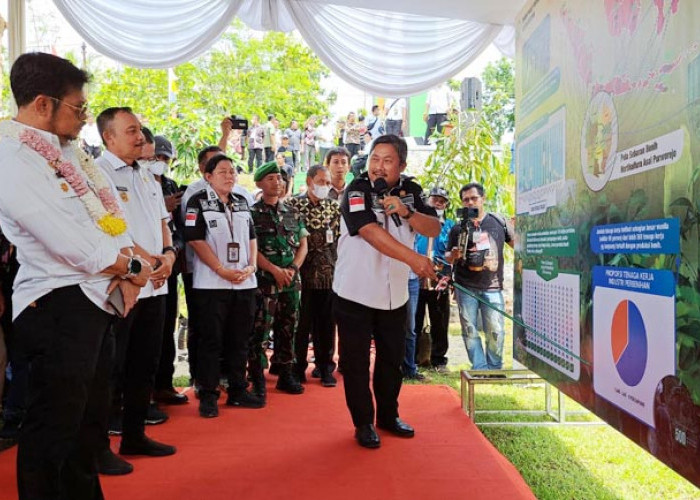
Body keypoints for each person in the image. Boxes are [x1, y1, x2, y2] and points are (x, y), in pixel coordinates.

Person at [0, 52, 150, 499]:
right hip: (55, 304)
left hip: (91, 301)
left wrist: (135, 258)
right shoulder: (13, 156)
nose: (84, 118)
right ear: (44, 104)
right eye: (79, 108)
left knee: (87, 421)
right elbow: (69, 242)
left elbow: (104, 222)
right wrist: (134, 267)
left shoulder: (67, 151)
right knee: (54, 427)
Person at [332, 134, 439, 449]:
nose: (378, 167)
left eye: (387, 160)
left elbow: (433, 227)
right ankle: (363, 422)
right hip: (356, 292)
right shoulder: (356, 190)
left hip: (395, 295)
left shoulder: (412, 191)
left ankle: (388, 416)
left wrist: (407, 213)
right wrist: (415, 260)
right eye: (374, 159)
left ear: (402, 165)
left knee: (392, 360)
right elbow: (369, 231)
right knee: (356, 363)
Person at [96, 107, 177, 472]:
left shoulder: (146, 174)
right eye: (130, 131)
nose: (140, 136)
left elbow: (162, 221)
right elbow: (113, 229)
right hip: (123, 283)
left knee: (145, 362)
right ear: (108, 137)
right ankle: (98, 448)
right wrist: (148, 260)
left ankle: (134, 434)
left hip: (156, 284)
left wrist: (169, 255)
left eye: (140, 130)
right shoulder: (97, 174)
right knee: (111, 366)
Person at [184, 154, 263, 417]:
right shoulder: (197, 202)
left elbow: (252, 237)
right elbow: (195, 240)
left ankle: (238, 390)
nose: (230, 176)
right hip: (212, 284)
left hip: (243, 282)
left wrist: (251, 265)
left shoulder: (241, 202)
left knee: (239, 339)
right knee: (211, 340)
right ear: (208, 176)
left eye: (233, 171)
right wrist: (220, 269)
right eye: (223, 171)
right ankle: (208, 393)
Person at [248, 162, 308, 399]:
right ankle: (256, 377)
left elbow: (303, 244)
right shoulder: (251, 214)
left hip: (291, 282)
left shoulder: (292, 212)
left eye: (280, 178)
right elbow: (252, 250)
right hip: (265, 281)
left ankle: (285, 373)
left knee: (288, 328)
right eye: (271, 178)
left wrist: (292, 268)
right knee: (260, 330)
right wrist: (274, 270)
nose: (278, 182)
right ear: (260, 184)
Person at [445, 182, 513, 371]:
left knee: (496, 330)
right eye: (465, 200)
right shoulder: (458, 228)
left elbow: (517, 244)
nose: (470, 203)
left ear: (483, 199)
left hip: (493, 286)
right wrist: (454, 254)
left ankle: (495, 367)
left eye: (474, 198)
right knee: (470, 330)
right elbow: (447, 256)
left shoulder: (499, 222)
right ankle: (480, 368)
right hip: (465, 286)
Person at [143, 132, 189, 406]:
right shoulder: (140, 182)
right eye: (156, 157)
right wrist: (163, 207)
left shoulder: (172, 185)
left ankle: (163, 384)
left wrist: (172, 253)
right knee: (144, 333)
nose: (160, 162)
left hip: (169, 266)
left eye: (164, 158)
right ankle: (139, 393)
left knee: (166, 325)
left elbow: (180, 229)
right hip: (141, 265)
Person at [287, 165, 341, 387]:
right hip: (302, 273)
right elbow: (291, 238)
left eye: (328, 183)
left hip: (328, 273)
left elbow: (338, 240)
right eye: (321, 182)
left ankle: (325, 367)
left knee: (326, 324)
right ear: (309, 181)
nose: (325, 186)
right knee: (301, 323)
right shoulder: (293, 205)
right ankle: (298, 368)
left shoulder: (333, 207)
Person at [413, 187, 455, 372]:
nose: (437, 203)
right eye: (434, 200)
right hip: (416, 277)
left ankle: (439, 359)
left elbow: (454, 252)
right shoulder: (417, 222)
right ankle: (413, 358)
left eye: (441, 201)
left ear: (446, 205)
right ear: (427, 201)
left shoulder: (451, 226)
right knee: (415, 319)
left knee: (440, 320)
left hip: (440, 279)